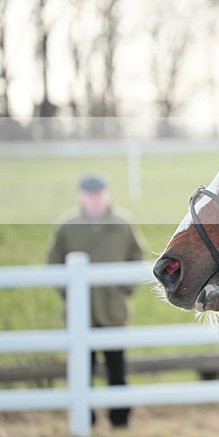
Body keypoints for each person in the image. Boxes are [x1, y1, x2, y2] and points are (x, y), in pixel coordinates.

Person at [47, 174, 144, 429]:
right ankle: (85, 418)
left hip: (113, 309)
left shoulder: (123, 223)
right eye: (90, 194)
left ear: (106, 194)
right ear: (81, 196)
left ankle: (120, 419)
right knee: (82, 369)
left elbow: (137, 256)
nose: (95, 199)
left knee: (117, 368)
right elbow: (53, 261)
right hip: (80, 311)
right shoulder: (67, 225)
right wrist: (68, 293)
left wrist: (125, 288)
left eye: (99, 194)